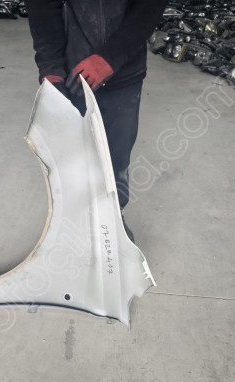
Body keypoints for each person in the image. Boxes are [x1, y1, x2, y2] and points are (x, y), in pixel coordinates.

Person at [26, 0, 168, 241]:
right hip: (72, 76)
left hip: (125, 74)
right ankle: (76, 224)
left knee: (116, 156)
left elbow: (149, 6)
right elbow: (43, 7)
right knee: (73, 159)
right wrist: (51, 68)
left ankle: (112, 221)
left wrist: (110, 58)